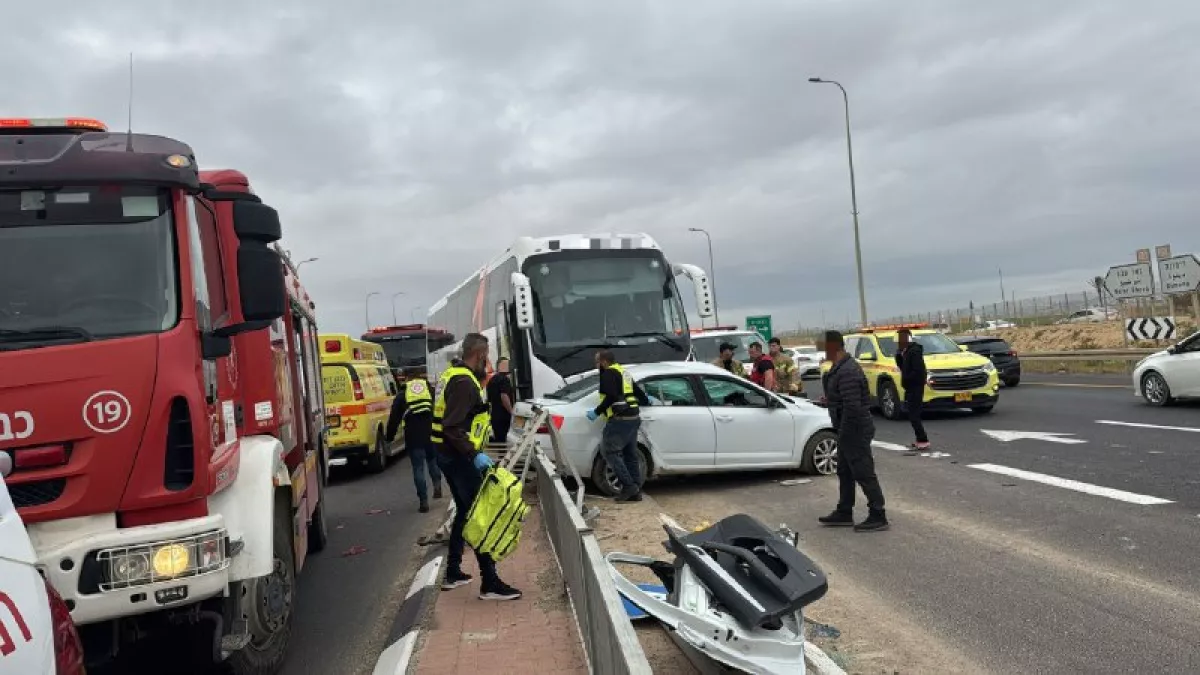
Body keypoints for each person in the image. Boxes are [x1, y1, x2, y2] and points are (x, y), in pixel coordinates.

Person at [432, 333, 522, 600]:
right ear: (480, 354)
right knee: (480, 515)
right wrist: (474, 455)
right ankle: (489, 583)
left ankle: (453, 572)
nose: (489, 360)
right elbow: (451, 426)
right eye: (487, 355)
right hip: (459, 458)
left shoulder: (453, 375)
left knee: (464, 512)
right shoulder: (464, 383)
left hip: (449, 455)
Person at [817, 330, 888, 532]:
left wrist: (845, 433)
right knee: (845, 471)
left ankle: (878, 514)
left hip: (854, 429)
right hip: (846, 428)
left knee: (863, 471)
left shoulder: (847, 370)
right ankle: (844, 511)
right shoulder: (838, 368)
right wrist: (830, 401)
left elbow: (853, 406)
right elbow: (843, 399)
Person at [586, 349, 645, 502]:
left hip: (620, 419)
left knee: (610, 452)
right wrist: (646, 400)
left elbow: (611, 396)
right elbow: (637, 391)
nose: (596, 365)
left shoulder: (608, 374)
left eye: (597, 362)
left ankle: (629, 487)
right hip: (633, 417)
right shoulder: (623, 372)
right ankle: (636, 490)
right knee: (630, 454)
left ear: (604, 362)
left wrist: (597, 412)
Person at [385, 367, 443, 513]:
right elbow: (439, 408)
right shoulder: (429, 390)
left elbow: (394, 419)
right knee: (432, 460)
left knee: (418, 468)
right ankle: (437, 485)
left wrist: (389, 437)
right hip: (430, 431)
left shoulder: (402, 395)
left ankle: (423, 501)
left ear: (407, 379)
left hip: (413, 435)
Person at [895, 329, 929, 453]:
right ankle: (920, 439)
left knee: (914, 414)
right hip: (910, 386)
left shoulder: (914, 352)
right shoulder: (906, 352)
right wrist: (898, 355)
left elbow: (918, 371)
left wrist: (908, 378)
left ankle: (923, 440)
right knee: (912, 413)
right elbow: (902, 367)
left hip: (915, 386)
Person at [486, 356, 515, 444]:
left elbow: (489, 399)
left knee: (499, 441)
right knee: (504, 441)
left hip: (495, 415)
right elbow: (504, 396)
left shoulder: (491, 380)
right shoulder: (504, 379)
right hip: (503, 415)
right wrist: (511, 412)